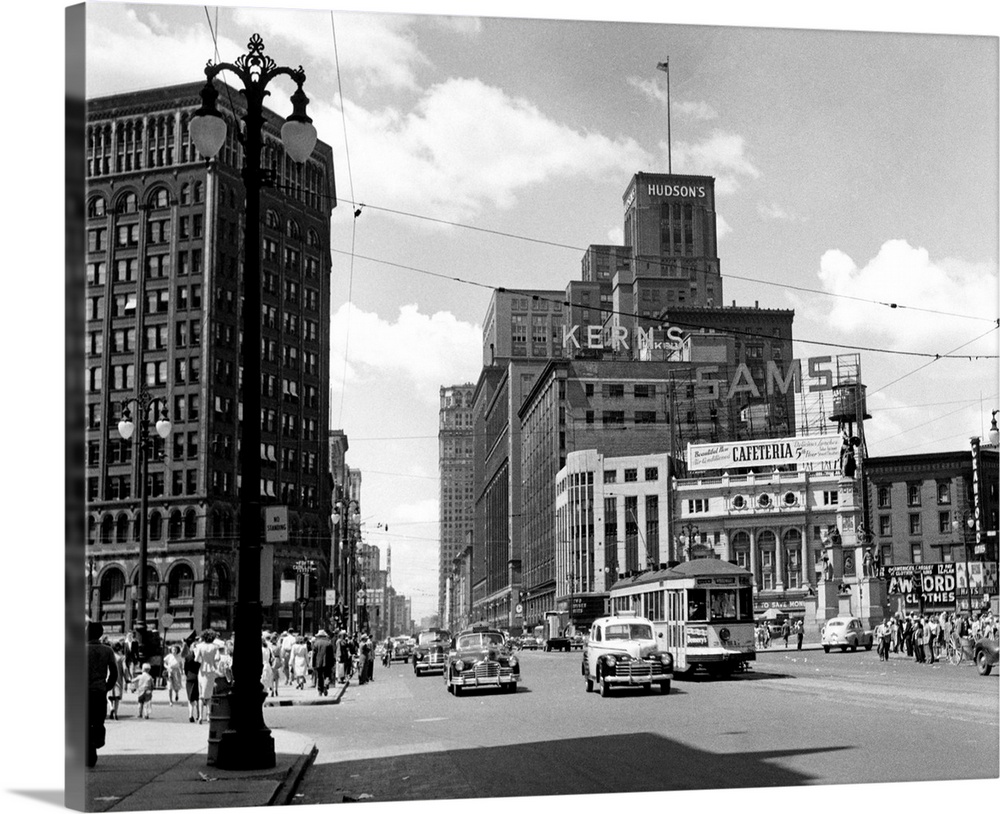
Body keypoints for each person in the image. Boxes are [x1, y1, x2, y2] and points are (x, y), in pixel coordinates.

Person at [86, 622, 119, 768]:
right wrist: (107, 687)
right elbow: (114, 673)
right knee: (98, 721)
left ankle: (88, 751)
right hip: (99, 692)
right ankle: (95, 743)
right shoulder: (107, 651)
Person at [193, 631, 221, 724]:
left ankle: (200, 716)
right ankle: (208, 716)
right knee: (209, 695)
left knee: (201, 694)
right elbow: (217, 658)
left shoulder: (200, 646)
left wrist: (202, 657)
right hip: (211, 670)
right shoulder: (215, 647)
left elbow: (196, 659)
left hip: (202, 670)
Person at [107, 641, 127, 721]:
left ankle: (111, 707)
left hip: (109, 676)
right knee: (117, 698)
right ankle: (115, 713)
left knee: (109, 696)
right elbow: (125, 668)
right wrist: (127, 678)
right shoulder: (122, 658)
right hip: (118, 677)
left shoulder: (109, 656)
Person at [312, 629, 335, 696]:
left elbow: (314, 655)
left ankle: (320, 690)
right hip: (327, 662)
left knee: (319, 676)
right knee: (327, 675)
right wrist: (332, 663)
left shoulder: (316, 644)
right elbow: (331, 655)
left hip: (318, 662)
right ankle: (326, 684)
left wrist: (313, 664)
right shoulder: (328, 643)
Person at [182, 643, 200, 723]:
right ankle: (199, 715)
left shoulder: (188, 657)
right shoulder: (200, 657)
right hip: (198, 677)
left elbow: (185, 669)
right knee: (198, 698)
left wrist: (187, 675)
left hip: (190, 677)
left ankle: (190, 715)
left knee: (190, 698)